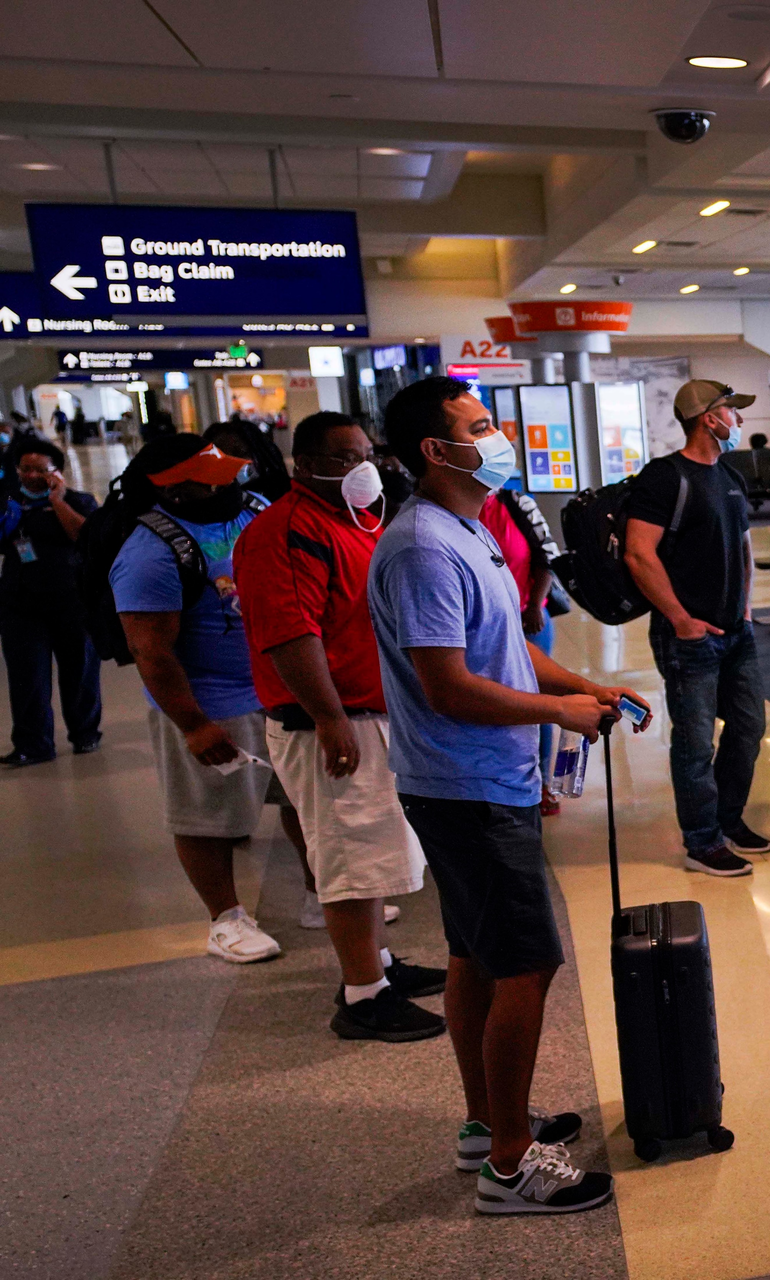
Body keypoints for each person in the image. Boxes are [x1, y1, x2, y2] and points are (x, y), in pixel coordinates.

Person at [371, 375, 644, 1213]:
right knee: (527, 960)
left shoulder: (470, 527)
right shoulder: (424, 546)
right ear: (435, 448)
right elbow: (449, 685)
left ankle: (487, 1121)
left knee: (475, 954)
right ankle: (510, 1167)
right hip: (467, 786)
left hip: (486, 779)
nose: (499, 438)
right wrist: (557, 710)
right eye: (480, 425)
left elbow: (510, 653)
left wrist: (586, 685)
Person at [233, 411, 445, 1042]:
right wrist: (329, 718)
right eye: (344, 458)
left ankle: (377, 963)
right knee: (349, 860)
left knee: (376, 854)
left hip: (373, 713)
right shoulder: (285, 531)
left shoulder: (354, 521)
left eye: (367, 453)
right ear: (305, 466)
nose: (364, 467)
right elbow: (291, 634)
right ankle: (363, 996)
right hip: (329, 722)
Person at [111, 436, 301, 964]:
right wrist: (193, 725)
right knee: (207, 817)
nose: (228, 484)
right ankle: (225, 920)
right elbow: (150, 650)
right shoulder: (149, 551)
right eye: (210, 477)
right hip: (211, 700)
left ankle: (321, 892)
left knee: (301, 797)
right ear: (177, 486)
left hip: (280, 686)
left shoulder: (254, 510)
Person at [623, 380, 769, 876]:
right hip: (688, 638)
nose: (739, 420)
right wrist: (682, 620)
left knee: (749, 727)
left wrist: (745, 608)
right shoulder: (664, 477)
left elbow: (743, 547)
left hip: (736, 632)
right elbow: (639, 553)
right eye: (733, 410)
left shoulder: (730, 475)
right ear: (709, 418)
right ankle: (702, 842)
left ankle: (727, 820)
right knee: (695, 741)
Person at [0, 439, 102, 765]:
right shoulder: (10, 503)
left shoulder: (79, 501)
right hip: (21, 605)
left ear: (57, 471)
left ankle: (85, 734)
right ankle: (34, 744)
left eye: (40, 470)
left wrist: (56, 500)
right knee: (26, 677)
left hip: (72, 601)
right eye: (25, 469)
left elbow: (84, 536)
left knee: (79, 671)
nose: (31, 476)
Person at [478, 486, 564, 814]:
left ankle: (540, 781)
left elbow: (547, 555)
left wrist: (534, 609)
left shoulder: (515, 504)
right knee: (489, 701)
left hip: (528, 620)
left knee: (538, 702)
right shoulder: (449, 511)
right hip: (481, 628)